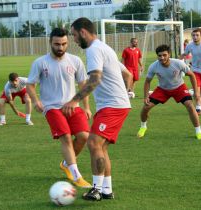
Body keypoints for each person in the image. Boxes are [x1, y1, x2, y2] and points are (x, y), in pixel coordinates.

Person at [62, 17, 132, 201]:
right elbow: (127, 74)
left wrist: (73, 101)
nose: (75, 40)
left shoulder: (94, 50)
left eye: (75, 35)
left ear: (83, 32)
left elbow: (94, 80)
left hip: (113, 106)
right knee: (100, 147)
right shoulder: (103, 47)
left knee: (93, 143)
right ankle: (106, 189)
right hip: (114, 105)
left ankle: (96, 189)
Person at [26, 28, 92, 188]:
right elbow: (30, 84)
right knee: (66, 137)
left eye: (64, 44)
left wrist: (87, 107)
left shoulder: (76, 61)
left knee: (84, 137)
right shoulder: (40, 62)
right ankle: (76, 176)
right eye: (57, 44)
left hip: (73, 106)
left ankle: (66, 163)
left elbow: (83, 85)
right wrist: (36, 101)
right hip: (52, 108)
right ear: (50, 42)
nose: (60, 47)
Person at [137, 44, 201, 140]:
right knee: (146, 107)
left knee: (190, 105)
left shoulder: (178, 63)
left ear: (169, 54)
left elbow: (192, 75)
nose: (162, 57)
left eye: (164, 55)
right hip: (162, 89)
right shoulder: (153, 66)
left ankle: (199, 132)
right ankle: (143, 127)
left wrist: (196, 92)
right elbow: (147, 81)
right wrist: (145, 97)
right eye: (160, 56)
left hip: (179, 88)